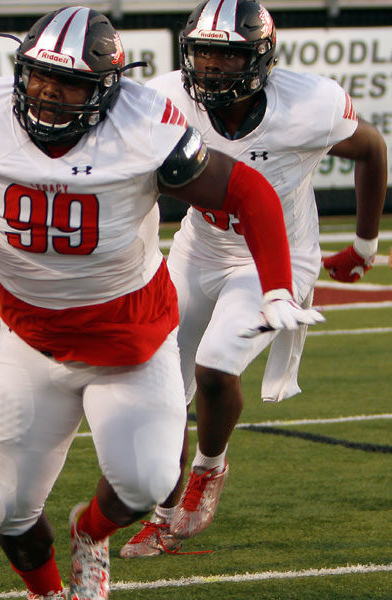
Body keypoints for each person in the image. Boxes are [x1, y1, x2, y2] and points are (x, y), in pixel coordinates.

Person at [0, 6, 324, 599]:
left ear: (107, 88)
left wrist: (279, 283)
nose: (50, 94)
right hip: (31, 341)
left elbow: (249, 191)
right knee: (8, 509)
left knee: (146, 483)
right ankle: (51, 594)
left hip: (133, 338)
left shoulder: (141, 126)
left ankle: (90, 531)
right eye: (40, 77)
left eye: (71, 82)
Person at [119, 0, 388, 558]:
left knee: (216, 367)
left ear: (261, 58)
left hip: (279, 256)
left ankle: (207, 470)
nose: (213, 67)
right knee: (161, 386)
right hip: (200, 247)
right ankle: (163, 515)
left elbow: (372, 148)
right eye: (204, 53)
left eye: (228, 54)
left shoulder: (307, 105)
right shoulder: (164, 99)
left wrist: (365, 243)